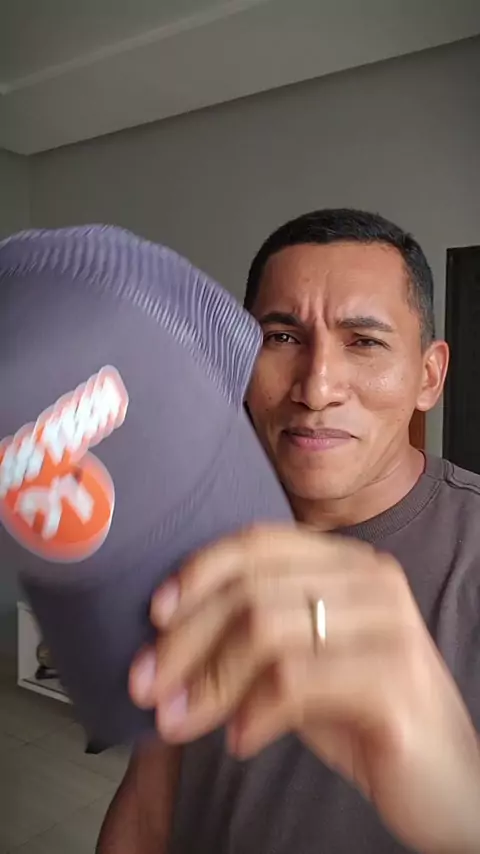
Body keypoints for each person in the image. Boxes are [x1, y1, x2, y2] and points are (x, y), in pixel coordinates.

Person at [97, 209, 480, 854]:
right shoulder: (196, 542)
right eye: (281, 337)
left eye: (364, 341)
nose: (316, 387)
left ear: (428, 376)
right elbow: (148, 806)